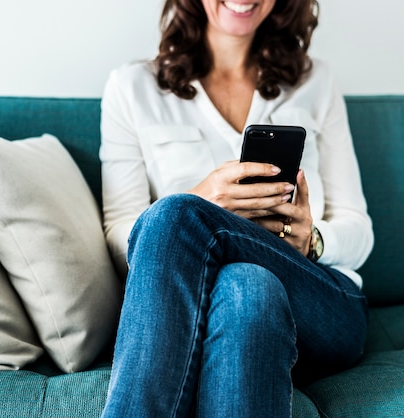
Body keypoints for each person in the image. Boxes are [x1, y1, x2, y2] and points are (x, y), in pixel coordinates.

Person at [99, 0, 374, 416]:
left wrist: (312, 242)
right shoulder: (132, 87)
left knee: (176, 215)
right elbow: (120, 232)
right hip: (210, 304)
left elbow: (359, 230)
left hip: (321, 302)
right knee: (247, 287)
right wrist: (203, 198)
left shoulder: (315, 81)